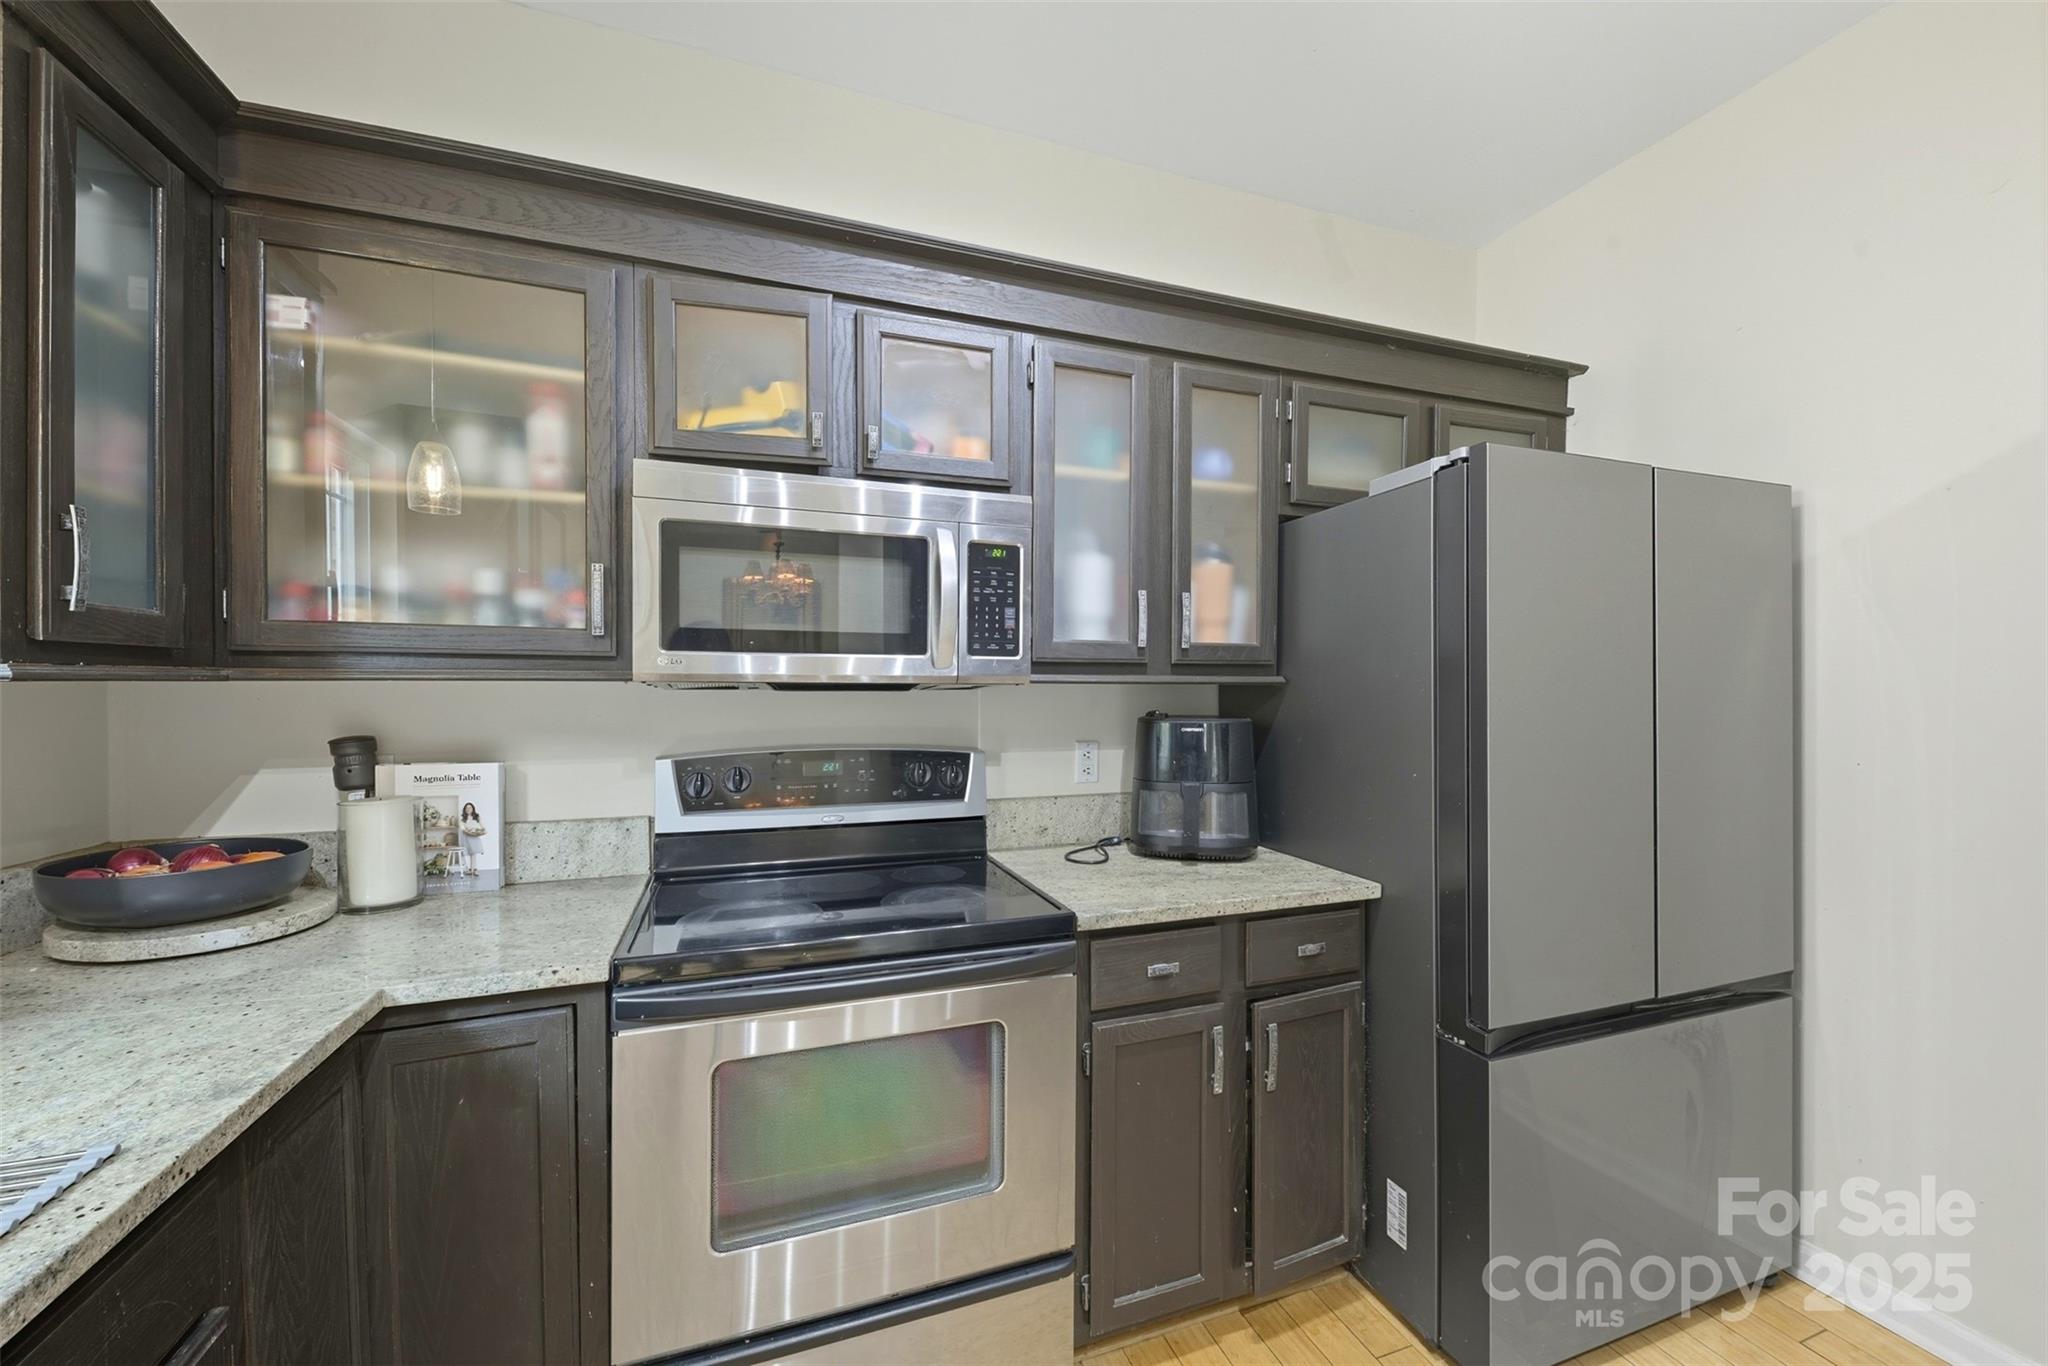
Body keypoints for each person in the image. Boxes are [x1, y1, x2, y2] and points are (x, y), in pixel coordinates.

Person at [457, 801, 487, 877]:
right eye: (467, 808)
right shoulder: (462, 819)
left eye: (470, 807)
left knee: (474, 853)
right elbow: (463, 828)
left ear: (473, 808)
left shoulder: (477, 817)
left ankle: (474, 869)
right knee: (467, 852)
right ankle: (468, 869)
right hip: (466, 837)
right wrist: (468, 831)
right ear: (464, 809)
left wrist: (482, 830)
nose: (468, 809)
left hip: (475, 836)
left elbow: (482, 825)